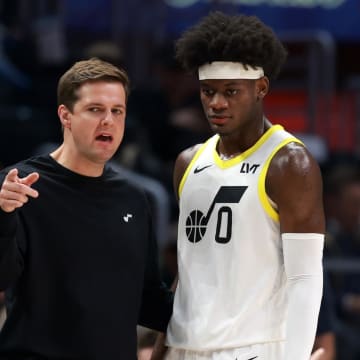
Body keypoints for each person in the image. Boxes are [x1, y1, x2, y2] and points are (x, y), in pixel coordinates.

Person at [151, 11, 325, 360]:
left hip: (251, 348)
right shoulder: (188, 162)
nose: (217, 103)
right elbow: (188, 269)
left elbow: (305, 278)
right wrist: (161, 348)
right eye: (208, 91)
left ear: (260, 88)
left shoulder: (289, 163)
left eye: (231, 91)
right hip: (185, 346)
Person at [0, 58, 173, 359]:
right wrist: (2, 216)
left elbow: (146, 300)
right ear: (65, 116)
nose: (108, 120)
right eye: (95, 109)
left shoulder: (133, 198)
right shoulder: (18, 186)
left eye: (117, 111)